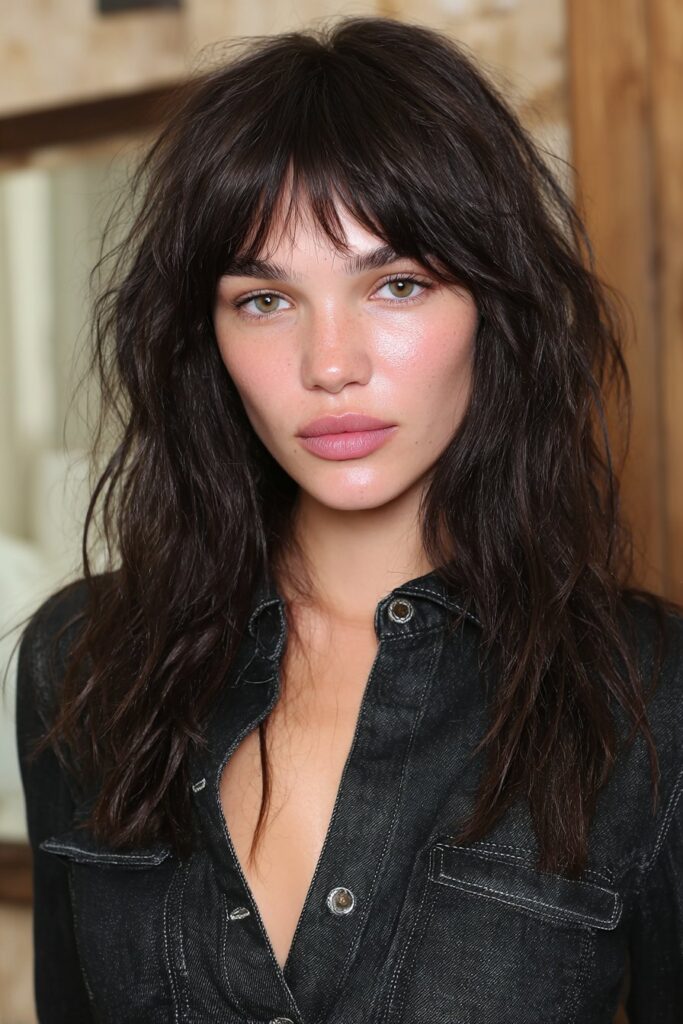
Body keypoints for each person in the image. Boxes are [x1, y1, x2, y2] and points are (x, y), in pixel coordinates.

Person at [11, 14, 683, 1024]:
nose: (331, 363)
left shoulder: (648, 697)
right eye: (265, 300)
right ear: (209, 336)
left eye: (395, 283)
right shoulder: (88, 657)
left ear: (493, 310)